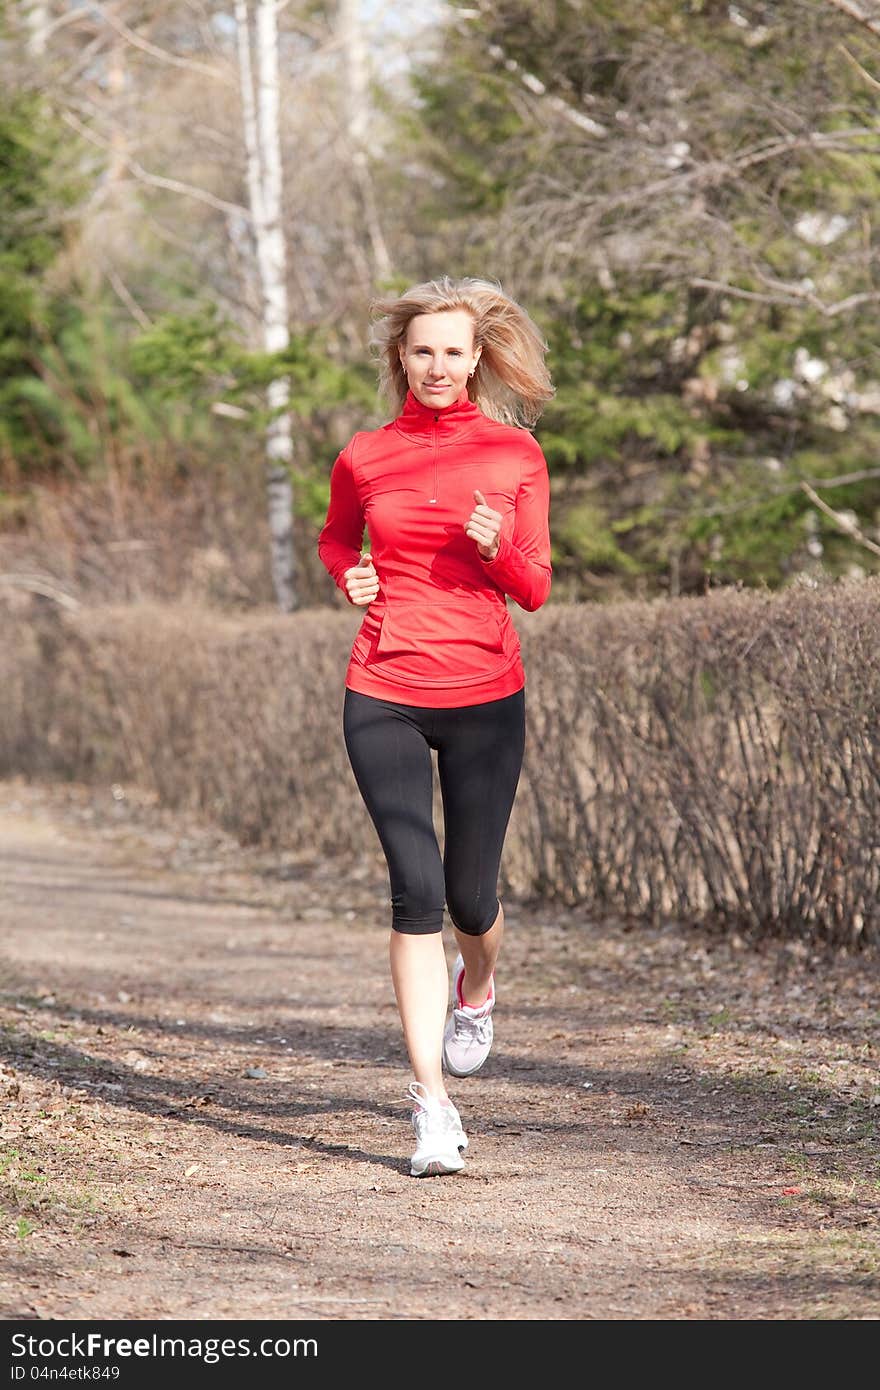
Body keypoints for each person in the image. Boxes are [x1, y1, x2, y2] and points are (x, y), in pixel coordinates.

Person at [316, 275, 553, 1177]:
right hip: (382, 685)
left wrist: (498, 548)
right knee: (413, 889)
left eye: (455, 351)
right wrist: (352, 578)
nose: (439, 366)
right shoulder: (365, 453)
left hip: (486, 693)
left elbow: (535, 587)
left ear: (477, 358)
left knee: (470, 899)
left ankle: (478, 984)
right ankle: (431, 1108)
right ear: (401, 358)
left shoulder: (514, 455)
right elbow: (338, 538)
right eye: (423, 350)